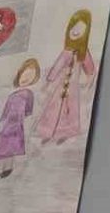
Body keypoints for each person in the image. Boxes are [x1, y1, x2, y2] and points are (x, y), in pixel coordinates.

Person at [37, 9, 97, 146]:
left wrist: (88, 84)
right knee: (54, 109)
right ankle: (49, 132)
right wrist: (48, 82)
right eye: (74, 28)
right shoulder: (66, 51)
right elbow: (57, 67)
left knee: (70, 110)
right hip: (60, 87)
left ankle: (67, 132)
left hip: (73, 88)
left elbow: (90, 69)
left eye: (80, 29)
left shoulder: (83, 53)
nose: (76, 31)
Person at [0, 58, 39, 180]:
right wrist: (2, 120)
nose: (26, 79)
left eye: (30, 76)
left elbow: (29, 110)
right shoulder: (12, 95)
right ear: (19, 75)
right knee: (2, 146)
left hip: (17, 126)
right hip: (8, 125)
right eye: (24, 75)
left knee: (11, 147)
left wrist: (26, 121)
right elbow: (6, 110)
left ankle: (8, 168)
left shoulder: (28, 94)